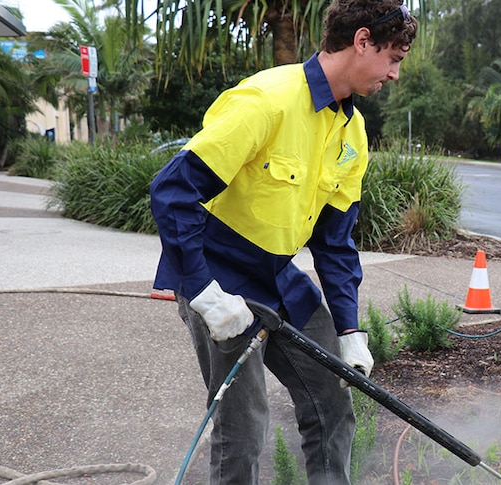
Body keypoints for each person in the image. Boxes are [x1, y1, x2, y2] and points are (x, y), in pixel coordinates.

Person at [148, 1, 416, 483]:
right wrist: (204, 292)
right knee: (243, 428)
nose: (394, 73)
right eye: (393, 58)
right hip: (220, 276)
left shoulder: (351, 130)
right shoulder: (266, 101)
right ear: (361, 42)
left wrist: (351, 330)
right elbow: (172, 190)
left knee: (333, 400)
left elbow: (334, 243)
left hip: (278, 277)